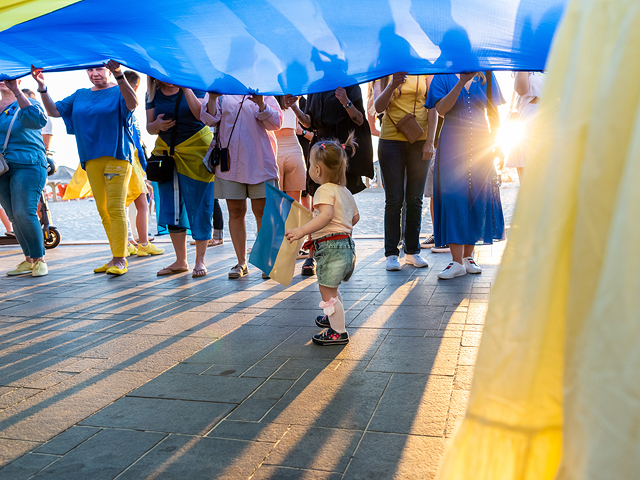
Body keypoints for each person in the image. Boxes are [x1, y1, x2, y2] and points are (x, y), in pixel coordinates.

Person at [33, 61, 137, 275]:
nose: (94, 73)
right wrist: (42, 86)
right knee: (103, 210)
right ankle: (116, 254)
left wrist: (119, 75)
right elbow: (54, 111)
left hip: (117, 155)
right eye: (90, 70)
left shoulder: (119, 90)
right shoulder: (80, 95)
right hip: (90, 158)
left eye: (99, 69)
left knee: (115, 208)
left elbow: (133, 103)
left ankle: (120, 259)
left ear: (108, 70)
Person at [284, 86, 373, 276]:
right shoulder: (315, 88)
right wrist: (295, 108)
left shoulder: (349, 86)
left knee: (340, 202)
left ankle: (343, 249)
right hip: (319, 149)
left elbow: (360, 120)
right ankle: (313, 253)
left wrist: (345, 101)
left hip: (340, 152)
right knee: (317, 204)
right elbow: (309, 123)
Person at [425, 72, 506, 279]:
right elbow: (441, 109)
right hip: (452, 144)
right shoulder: (442, 76)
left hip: (482, 144)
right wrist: (461, 82)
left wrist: (498, 145)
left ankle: (469, 257)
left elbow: (493, 111)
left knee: (477, 196)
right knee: (453, 198)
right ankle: (455, 260)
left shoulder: (486, 74)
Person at [285, 134, 359, 346]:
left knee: (327, 292)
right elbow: (355, 217)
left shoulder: (322, 190)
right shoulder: (345, 191)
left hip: (331, 247)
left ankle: (338, 331)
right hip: (346, 247)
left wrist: (300, 231)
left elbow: (326, 216)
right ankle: (333, 317)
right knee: (331, 288)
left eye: (310, 164)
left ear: (317, 170)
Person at [200, 92, 282, 279]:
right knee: (235, 211)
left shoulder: (262, 87)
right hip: (230, 163)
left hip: (260, 161)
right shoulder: (220, 89)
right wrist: (212, 98)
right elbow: (208, 119)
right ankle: (241, 262)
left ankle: (265, 261)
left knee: (262, 212)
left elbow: (276, 123)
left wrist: (262, 104)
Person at [146, 77, 213, 277]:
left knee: (200, 206)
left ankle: (200, 260)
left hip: (197, 153)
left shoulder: (195, 86)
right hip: (167, 156)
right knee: (172, 208)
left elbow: (201, 116)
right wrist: (157, 125)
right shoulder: (152, 93)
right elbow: (149, 128)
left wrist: (185, 87)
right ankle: (180, 261)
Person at [374, 73, 437, 271]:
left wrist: (430, 142)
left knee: (415, 198)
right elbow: (378, 107)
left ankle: (412, 251)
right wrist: (392, 85)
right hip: (390, 140)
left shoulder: (426, 72)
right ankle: (392, 253)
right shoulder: (385, 74)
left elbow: (433, 106)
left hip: (419, 139)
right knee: (394, 199)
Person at [0, 79, 49, 277]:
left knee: (24, 212)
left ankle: (39, 259)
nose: (3, 80)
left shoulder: (30, 102)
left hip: (28, 163)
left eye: (8, 77)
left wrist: (17, 92)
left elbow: (37, 121)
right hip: (2, 167)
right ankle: (28, 259)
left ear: (18, 80)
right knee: (13, 216)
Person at [122, 70, 164, 258]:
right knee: (140, 203)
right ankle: (141, 243)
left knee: (127, 204)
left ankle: (130, 241)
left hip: (129, 160)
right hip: (129, 160)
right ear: (137, 87)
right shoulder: (126, 105)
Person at [506, 71, 545, 182]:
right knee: (528, 185)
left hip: (554, 120)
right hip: (529, 125)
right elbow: (521, 89)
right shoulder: (527, 62)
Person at [274, 96, 306, 202]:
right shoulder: (295, 94)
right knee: (294, 204)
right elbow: (296, 126)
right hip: (293, 147)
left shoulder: (267, 95)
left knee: (275, 202)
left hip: (274, 146)